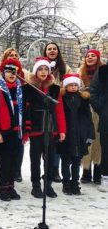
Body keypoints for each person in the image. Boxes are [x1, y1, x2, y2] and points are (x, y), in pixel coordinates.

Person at [23, 57, 66, 198]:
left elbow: (59, 110)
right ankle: (36, 185)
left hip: (51, 128)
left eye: (46, 69)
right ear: (36, 71)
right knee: (35, 159)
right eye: (40, 69)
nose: (43, 72)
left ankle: (47, 185)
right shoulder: (28, 88)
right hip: (36, 129)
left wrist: (62, 130)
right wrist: (26, 130)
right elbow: (25, 110)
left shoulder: (54, 88)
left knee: (50, 159)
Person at [0, 59, 30, 201]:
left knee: (14, 163)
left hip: (17, 133)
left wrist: (25, 132)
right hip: (4, 133)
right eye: (9, 72)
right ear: (3, 73)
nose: (12, 75)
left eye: (15, 72)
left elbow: (25, 112)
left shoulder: (21, 90)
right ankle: (3, 189)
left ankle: (11, 187)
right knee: (4, 163)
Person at [58, 74, 95, 196]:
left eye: (75, 85)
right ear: (65, 86)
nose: (73, 87)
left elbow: (89, 119)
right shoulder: (62, 99)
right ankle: (66, 183)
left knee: (76, 161)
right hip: (66, 135)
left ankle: (75, 183)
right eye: (70, 85)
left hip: (80, 135)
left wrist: (90, 135)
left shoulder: (83, 100)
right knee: (65, 160)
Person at [43, 42, 72, 183]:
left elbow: (72, 84)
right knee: (45, 140)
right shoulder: (41, 66)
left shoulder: (64, 68)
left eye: (54, 48)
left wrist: (60, 91)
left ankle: (55, 170)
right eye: (49, 49)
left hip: (61, 105)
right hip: (44, 106)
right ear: (45, 51)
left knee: (57, 141)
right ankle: (47, 169)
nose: (52, 51)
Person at [79, 49, 103, 184]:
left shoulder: (104, 72)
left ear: (98, 58)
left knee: (99, 142)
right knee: (86, 140)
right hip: (85, 111)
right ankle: (86, 172)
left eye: (93, 55)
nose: (90, 58)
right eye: (87, 56)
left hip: (99, 111)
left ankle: (98, 172)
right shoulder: (80, 73)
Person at [90, 61, 108, 192]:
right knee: (106, 149)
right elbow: (93, 91)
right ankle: (105, 177)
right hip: (106, 116)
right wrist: (101, 109)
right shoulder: (102, 71)